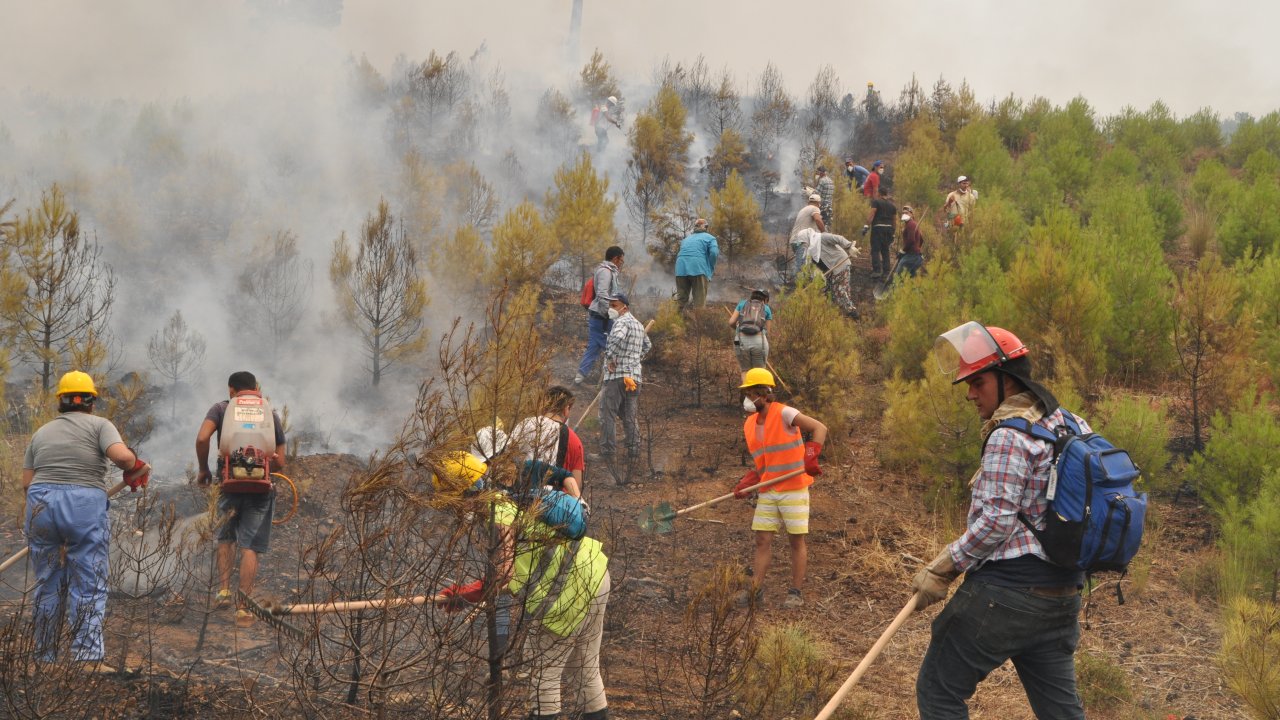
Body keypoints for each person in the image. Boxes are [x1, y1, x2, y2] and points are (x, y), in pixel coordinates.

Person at [914, 321, 1088, 719]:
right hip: (1062, 599)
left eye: (978, 382)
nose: (971, 394)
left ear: (1007, 379)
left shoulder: (1008, 433)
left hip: (1006, 596)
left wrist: (942, 568)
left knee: (938, 689)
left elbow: (996, 521)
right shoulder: (1073, 424)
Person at [433, 444, 610, 720]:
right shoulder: (504, 498)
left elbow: (504, 574)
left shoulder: (498, 510)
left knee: (544, 675)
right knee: (586, 668)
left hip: (569, 587)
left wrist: (467, 593)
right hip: (595, 570)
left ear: (462, 493)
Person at [23, 371, 150, 665]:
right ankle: (86, 657)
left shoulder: (41, 432)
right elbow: (121, 458)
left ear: (61, 403)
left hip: (40, 502)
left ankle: (44, 656)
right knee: (88, 581)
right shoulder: (100, 425)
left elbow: (26, 482)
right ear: (91, 402)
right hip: (83, 503)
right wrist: (132, 462)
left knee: (47, 581)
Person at [195, 370, 286, 628]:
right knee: (250, 546)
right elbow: (281, 463)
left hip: (228, 484)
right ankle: (242, 607)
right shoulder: (270, 413)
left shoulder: (221, 409)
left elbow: (202, 438)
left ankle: (223, 591)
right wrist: (260, 466)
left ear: (231, 390)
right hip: (260, 489)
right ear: (256, 388)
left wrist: (204, 469)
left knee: (226, 535)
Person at [732, 368, 828, 609]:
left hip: (794, 488)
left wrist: (811, 455)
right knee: (762, 540)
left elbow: (820, 429)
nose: (748, 398)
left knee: (796, 541)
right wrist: (749, 481)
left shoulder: (785, 413)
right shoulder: (749, 424)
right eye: (746, 393)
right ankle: (756, 591)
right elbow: (764, 462)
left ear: (765, 394)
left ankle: (795, 592)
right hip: (769, 490)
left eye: (751, 393)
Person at [598, 293, 650, 469]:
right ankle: (634, 451)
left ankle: (607, 453)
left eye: (614, 305)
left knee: (607, 414)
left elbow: (617, 338)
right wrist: (634, 360)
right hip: (634, 378)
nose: (611, 309)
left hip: (618, 377)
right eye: (610, 305)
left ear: (624, 307)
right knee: (629, 416)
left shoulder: (621, 322)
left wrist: (611, 357)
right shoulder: (638, 324)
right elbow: (647, 345)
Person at [510, 385, 586, 497]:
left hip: (521, 497)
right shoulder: (574, 440)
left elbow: (508, 459)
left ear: (544, 405)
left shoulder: (524, 425)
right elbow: (577, 483)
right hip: (556, 504)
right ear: (566, 409)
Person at [575, 246, 625, 386]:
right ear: (615, 258)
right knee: (612, 346)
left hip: (598, 315)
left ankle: (580, 377)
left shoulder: (607, 271)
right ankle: (614, 378)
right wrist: (609, 313)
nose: (621, 262)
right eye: (621, 259)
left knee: (594, 346)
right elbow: (602, 293)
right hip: (602, 316)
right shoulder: (606, 272)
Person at [674, 218, 720, 309]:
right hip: (698, 269)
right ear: (705, 227)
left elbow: (681, 254)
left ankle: (674, 320)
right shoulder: (711, 238)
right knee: (699, 301)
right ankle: (699, 321)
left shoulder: (685, 239)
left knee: (680, 300)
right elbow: (714, 253)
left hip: (680, 269)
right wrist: (710, 268)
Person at [727, 288, 773, 371]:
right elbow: (767, 332)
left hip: (739, 340)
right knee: (759, 372)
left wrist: (738, 328)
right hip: (759, 341)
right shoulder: (766, 308)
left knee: (745, 370)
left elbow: (731, 322)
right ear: (765, 299)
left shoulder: (742, 304)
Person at [789, 193, 825, 277]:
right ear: (818, 203)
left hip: (795, 242)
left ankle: (802, 284)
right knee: (801, 268)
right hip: (802, 242)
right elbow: (818, 220)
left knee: (804, 264)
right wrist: (824, 232)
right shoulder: (814, 208)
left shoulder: (804, 209)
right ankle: (798, 287)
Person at [864, 186, 897, 279]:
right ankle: (886, 272)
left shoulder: (876, 202)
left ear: (879, 193)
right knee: (885, 250)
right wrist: (893, 233)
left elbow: (872, 213)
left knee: (875, 250)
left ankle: (877, 270)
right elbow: (894, 221)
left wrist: (866, 226)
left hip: (878, 228)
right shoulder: (892, 206)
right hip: (889, 229)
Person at [896, 205, 925, 278]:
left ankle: (894, 288)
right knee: (911, 278)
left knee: (898, 276)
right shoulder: (911, 224)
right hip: (915, 256)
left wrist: (903, 251)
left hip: (912, 256)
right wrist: (917, 249)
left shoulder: (911, 224)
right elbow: (921, 239)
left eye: (907, 213)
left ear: (911, 214)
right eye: (903, 213)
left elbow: (911, 240)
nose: (904, 214)